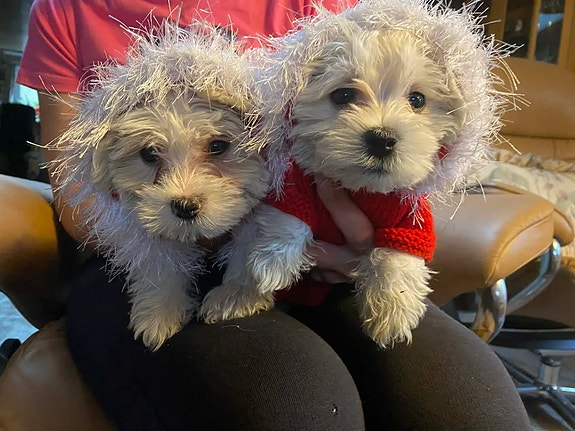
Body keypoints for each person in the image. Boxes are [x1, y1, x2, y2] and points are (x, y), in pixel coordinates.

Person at [8, 0, 531, 429]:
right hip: (142, 254)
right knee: (297, 407)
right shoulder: (67, 10)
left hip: (324, 259)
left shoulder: (329, 12)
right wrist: (256, 230)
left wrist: (352, 241)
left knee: (471, 407)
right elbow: (81, 197)